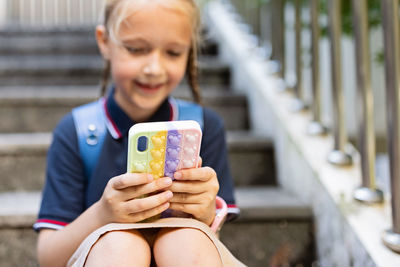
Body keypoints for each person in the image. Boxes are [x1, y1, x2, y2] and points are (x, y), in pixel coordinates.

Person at [34, 0, 243, 266]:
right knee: (120, 244)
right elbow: (49, 257)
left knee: (183, 240)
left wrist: (204, 213)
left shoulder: (203, 127)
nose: (154, 68)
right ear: (104, 42)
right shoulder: (76, 132)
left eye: (174, 52)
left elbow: (207, 247)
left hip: (186, 253)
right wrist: (102, 215)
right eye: (136, 49)